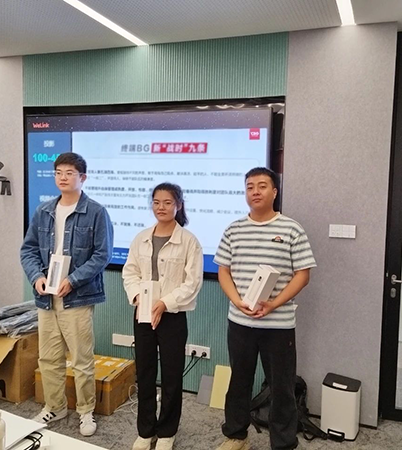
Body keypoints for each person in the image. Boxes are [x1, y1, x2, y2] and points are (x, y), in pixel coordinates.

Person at [214, 167, 316, 450]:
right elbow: (223, 271)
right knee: (239, 382)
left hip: (278, 324)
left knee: (281, 387)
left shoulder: (291, 229)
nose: (255, 192)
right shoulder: (234, 229)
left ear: (274, 191)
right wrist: (237, 300)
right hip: (240, 322)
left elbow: (303, 275)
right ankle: (236, 436)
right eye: (249, 187)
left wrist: (273, 304)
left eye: (261, 186)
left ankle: (283, 443)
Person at [20, 152, 113, 437]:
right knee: (49, 357)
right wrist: (36, 276)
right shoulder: (44, 210)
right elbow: (28, 250)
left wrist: (72, 280)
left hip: (77, 296)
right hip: (46, 296)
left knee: (82, 360)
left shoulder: (96, 211)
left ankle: (85, 411)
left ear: (82, 177)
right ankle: (55, 406)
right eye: (58, 172)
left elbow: (102, 255)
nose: (63, 177)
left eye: (69, 173)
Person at [123, 182, 203, 450]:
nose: (161, 207)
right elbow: (130, 272)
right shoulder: (141, 237)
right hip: (142, 313)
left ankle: (167, 431)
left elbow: (192, 282)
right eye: (156, 202)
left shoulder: (189, 241)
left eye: (168, 202)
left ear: (178, 205)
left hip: (172, 316)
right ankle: (145, 431)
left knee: (171, 376)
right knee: (145, 373)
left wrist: (164, 303)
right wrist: (138, 298)